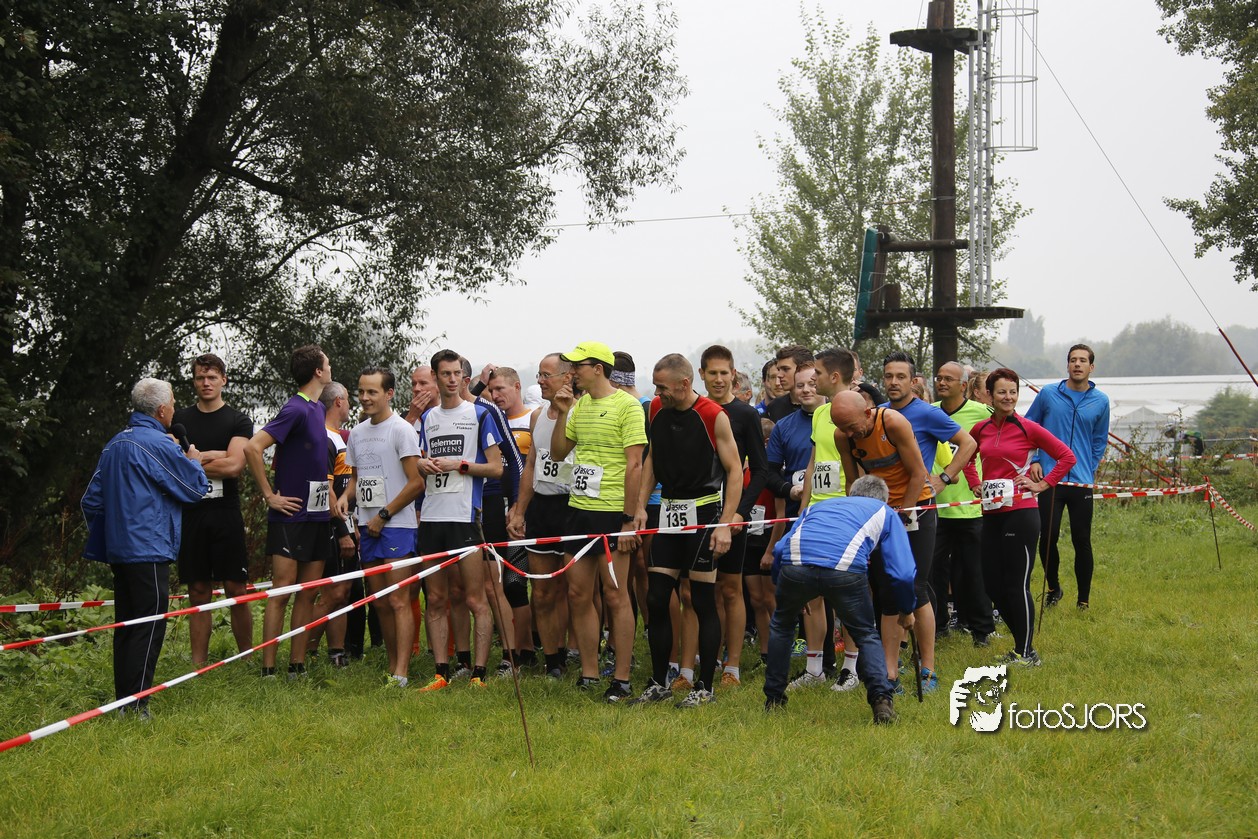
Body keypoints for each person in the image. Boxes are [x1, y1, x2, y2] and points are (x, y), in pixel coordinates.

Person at [83, 378, 210, 717]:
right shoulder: (157, 444)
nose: (175, 409)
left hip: (119, 551)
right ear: (162, 410)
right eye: (174, 403)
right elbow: (194, 488)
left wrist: (111, 536)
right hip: (150, 547)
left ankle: (123, 701)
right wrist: (193, 460)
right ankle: (137, 705)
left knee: (125, 627)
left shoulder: (114, 444)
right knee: (149, 626)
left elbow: (91, 501)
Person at [629, 353, 743, 708]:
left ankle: (704, 687)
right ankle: (658, 681)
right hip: (669, 511)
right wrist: (640, 507)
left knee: (701, 600)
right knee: (656, 598)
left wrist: (725, 523)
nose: (657, 392)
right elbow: (652, 460)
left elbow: (735, 471)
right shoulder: (656, 410)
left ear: (684, 383)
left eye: (662, 386)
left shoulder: (713, 415)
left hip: (704, 512)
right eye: (655, 386)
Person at [763, 476, 916, 725]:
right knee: (866, 634)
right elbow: (904, 572)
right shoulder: (885, 511)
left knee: (781, 626)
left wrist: (787, 586)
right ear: (884, 499)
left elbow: (780, 549)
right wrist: (907, 609)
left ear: (851, 494)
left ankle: (773, 698)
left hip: (795, 567)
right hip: (845, 570)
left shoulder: (818, 506)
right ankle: (881, 701)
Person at [549, 340, 646, 702]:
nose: (572, 372)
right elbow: (558, 453)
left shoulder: (628, 406)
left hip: (612, 513)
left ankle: (621, 678)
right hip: (578, 510)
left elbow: (635, 464)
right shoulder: (579, 406)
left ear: (598, 369)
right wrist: (561, 413)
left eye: (578, 366)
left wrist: (628, 520)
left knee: (615, 595)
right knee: (577, 593)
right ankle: (589, 673)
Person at [875, 350, 977, 693]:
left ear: (913, 380)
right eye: (888, 376)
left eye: (900, 376)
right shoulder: (880, 414)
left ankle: (928, 669)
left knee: (916, 587)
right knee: (889, 588)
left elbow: (968, 443)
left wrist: (944, 478)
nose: (893, 382)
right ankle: (891, 670)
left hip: (919, 511)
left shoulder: (927, 413)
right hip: (886, 513)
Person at [970, 368, 1076, 666]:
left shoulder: (1028, 427)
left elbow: (1067, 456)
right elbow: (965, 457)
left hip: (1022, 513)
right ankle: (1022, 644)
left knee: (1016, 584)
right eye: (1002, 392)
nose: (1008, 397)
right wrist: (974, 482)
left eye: (1013, 392)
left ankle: (1026, 652)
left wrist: (1042, 484)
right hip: (991, 513)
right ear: (990, 395)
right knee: (993, 584)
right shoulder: (980, 429)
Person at [245, 345, 338, 678]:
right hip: (290, 514)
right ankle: (268, 669)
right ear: (317, 372)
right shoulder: (295, 408)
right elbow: (253, 447)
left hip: (317, 513)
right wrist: (269, 496)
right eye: (327, 364)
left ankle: (297, 665)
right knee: (282, 591)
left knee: (308, 591)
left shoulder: (318, 408)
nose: (330, 368)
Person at [414, 350, 505, 690]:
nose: (452, 380)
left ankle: (479, 673)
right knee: (436, 599)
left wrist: (461, 465)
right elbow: (420, 460)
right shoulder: (428, 418)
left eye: (457, 374)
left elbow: (496, 468)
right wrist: (421, 464)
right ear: (436, 378)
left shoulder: (480, 414)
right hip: (432, 517)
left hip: (465, 517)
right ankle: (442, 672)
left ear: (464, 378)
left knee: (474, 598)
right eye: (445, 374)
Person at [172, 353, 255, 666]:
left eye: (212, 377)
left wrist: (193, 459)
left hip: (226, 512)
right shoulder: (179, 419)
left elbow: (234, 466)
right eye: (200, 377)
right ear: (194, 381)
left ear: (223, 380)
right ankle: (198, 665)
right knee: (197, 590)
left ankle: (246, 658)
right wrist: (216, 455)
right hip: (191, 513)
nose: (206, 383)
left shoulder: (238, 420)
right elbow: (171, 465)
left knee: (237, 588)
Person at [696, 344, 770, 688]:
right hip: (698, 511)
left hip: (732, 515)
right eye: (712, 373)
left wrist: (740, 513)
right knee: (700, 591)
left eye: (724, 373)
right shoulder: (694, 410)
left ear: (734, 374)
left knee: (730, 589)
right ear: (701, 375)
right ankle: (705, 656)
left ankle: (733, 665)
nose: (719, 379)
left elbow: (761, 469)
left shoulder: (745, 414)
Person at [346, 367, 425, 686]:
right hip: (368, 526)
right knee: (379, 602)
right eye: (361, 392)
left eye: (372, 392)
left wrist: (385, 514)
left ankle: (402, 672)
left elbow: (416, 482)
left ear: (389, 394)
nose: (365, 398)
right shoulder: (356, 432)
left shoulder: (401, 430)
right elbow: (356, 478)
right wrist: (344, 499)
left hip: (397, 525)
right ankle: (393, 667)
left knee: (398, 600)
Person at [507, 353, 577, 678]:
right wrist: (519, 511)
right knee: (543, 589)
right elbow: (532, 466)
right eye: (538, 374)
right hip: (542, 507)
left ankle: (574, 651)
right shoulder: (537, 417)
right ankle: (552, 661)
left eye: (546, 375)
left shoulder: (581, 412)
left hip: (572, 505)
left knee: (573, 589)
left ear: (567, 377)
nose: (540, 380)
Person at [1026, 344, 1111, 610]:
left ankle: (1083, 600)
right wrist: (1035, 460)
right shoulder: (1049, 394)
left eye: (1083, 360)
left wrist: (1089, 466)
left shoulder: (1101, 401)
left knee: (1081, 539)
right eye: (1073, 360)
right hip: (1050, 479)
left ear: (1091, 367)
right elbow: (1028, 428)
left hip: (1081, 481)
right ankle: (1053, 588)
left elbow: (1099, 440)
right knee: (1047, 536)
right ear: (1067, 365)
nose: (1077, 364)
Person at [929, 362, 996, 647]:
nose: (942, 383)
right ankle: (938, 625)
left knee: (975, 571)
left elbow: (1009, 435)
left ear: (964, 385)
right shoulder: (929, 412)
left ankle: (982, 630)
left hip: (970, 505)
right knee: (933, 570)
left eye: (949, 379)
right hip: (935, 506)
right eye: (939, 378)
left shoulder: (982, 412)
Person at [486, 366, 538, 671]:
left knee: (518, 583)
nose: (495, 396)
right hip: (496, 512)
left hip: (525, 514)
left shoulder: (532, 418)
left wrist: (520, 508)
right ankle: (513, 651)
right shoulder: (490, 419)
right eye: (491, 390)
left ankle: (528, 649)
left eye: (501, 389)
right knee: (501, 585)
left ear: (517, 387)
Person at [305, 381, 357, 666]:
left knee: (342, 592)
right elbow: (327, 492)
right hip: (328, 526)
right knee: (331, 592)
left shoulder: (339, 437)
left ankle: (337, 653)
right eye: (348, 399)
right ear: (338, 401)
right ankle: (306, 652)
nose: (349, 404)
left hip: (345, 522)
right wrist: (342, 532)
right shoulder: (325, 438)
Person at [763, 345, 814, 421]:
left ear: (804, 368)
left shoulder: (828, 407)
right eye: (779, 369)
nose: (779, 375)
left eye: (785, 369)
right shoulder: (775, 407)